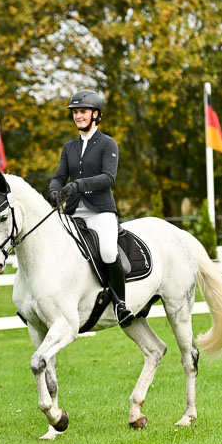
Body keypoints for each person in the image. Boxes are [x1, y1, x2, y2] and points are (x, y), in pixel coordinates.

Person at [48, 89, 134, 327]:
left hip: (100, 211)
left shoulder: (108, 143)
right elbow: (59, 176)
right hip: (73, 212)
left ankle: (120, 304)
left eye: (83, 112)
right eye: (75, 112)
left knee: (107, 251)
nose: (78, 116)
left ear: (96, 114)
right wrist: (54, 190)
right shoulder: (69, 147)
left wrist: (77, 185)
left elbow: (108, 177)